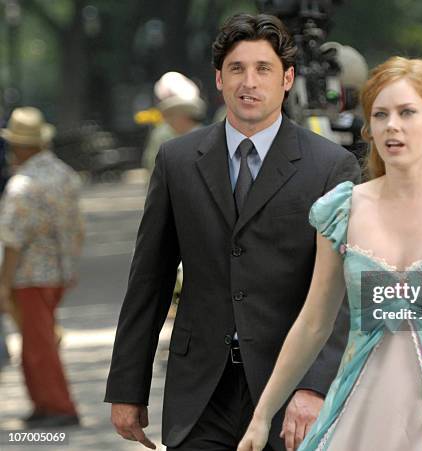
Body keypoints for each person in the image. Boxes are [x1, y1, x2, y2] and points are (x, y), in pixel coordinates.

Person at [105, 13, 360, 451]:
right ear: (218, 79)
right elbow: (150, 279)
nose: (250, 82)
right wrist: (128, 386)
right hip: (201, 392)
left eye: (264, 69)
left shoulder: (330, 166)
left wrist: (315, 385)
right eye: (237, 69)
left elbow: (343, 292)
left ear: (287, 79)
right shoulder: (177, 161)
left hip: (288, 388)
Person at [238, 56, 422, 451]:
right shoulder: (343, 210)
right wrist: (262, 415)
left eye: (407, 112)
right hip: (360, 417)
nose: (392, 126)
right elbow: (314, 323)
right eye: (380, 114)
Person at [0, 106, 84, 427]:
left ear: (20, 147)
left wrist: (3, 284)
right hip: (58, 273)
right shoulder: (64, 174)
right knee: (40, 340)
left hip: (29, 276)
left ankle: (59, 405)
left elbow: (11, 239)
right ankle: (42, 403)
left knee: (38, 346)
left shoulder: (23, 186)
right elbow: (77, 227)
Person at [141, 71, 207, 174]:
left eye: (171, 114)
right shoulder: (161, 136)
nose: (168, 120)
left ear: (184, 115)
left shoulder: (208, 139)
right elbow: (153, 170)